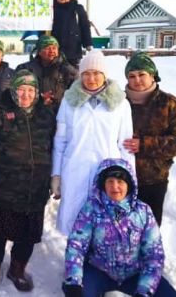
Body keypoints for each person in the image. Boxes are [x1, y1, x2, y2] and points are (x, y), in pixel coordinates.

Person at [0, 70, 56, 293]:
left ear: (37, 92)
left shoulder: (46, 115)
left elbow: (57, 147)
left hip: (34, 188)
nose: (26, 95)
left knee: (27, 234)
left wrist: (55, 178)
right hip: (2, 187)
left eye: (31, 90)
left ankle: (17, 269)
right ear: (13, 90)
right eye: (21, 89)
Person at [62, 158, 176, 297]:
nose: (115, 186)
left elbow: (153, 254)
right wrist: (73, 281)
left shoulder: (143, 211)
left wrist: (144, 290)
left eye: (120, 182)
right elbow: (76, 245)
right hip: (99, 270)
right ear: (102, 184)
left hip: (134, 273)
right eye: (110, 181)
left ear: (129, 185)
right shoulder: (92, 208)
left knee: (169, 295)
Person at [52, 50, 135, 235]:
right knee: (75, 222)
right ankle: (74, 261)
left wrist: (129, 178)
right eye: (87, 73)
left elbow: (126, 145)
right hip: (74, 169)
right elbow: (60, 140)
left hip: (108, 173)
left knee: (104, 226)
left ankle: (97, 263)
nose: (91, 78)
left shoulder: (120, 104)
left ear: (104, 75)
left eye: (97, 73)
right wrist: (56, 174)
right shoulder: (69, 101)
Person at [122, 52, 176, 226]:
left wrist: (145, 145)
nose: (137, 80)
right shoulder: (117, 102)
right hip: (119, 180)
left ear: (152, 75)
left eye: (142, 75)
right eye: (132, 76)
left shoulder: (170, 105)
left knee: (149, 229)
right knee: (120, 230)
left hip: (152, 179)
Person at [16, 35, 77, 111]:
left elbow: (76, 91)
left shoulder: (67, 69)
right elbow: (18, 92)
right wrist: (40, 98)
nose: (52, 51)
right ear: (39, 51)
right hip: (33, 112)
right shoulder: (26, 68)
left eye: (54, 48)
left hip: (59, 112)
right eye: (47, 48)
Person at [51, 0, 92, 66]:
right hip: (53, 51)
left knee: (72, 75)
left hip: (73, 51)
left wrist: (88, 43)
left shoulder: (78, 9)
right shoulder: (50, 9)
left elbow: (85, 26)